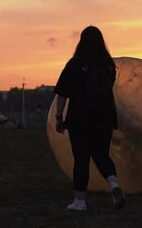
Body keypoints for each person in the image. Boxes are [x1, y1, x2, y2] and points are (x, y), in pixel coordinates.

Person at [53, 25, 126, 212]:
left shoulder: (75, 63)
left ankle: (79, 202)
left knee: (81, 158)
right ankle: (114, 185)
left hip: (80, 118)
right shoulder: (109, 64)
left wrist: (58, 117)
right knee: (101, 154)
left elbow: (62, 94)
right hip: (105, 117)